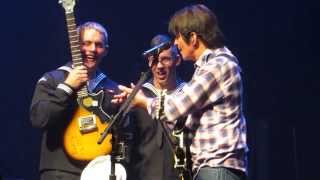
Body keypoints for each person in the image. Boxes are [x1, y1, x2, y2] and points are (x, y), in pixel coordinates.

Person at [114, 4, 248, 180]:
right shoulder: (206, 68)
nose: (176, 43)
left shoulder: (220, 65)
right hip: (210, 169)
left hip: (218, 169)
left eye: (178, 36)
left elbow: (173, 109)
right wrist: (135, 96)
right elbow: (180, 114)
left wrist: (143, 101)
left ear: (192, 37)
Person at [30, 21, 119, 180]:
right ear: (75, 46)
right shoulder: (52, 79)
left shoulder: (113, 88)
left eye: (98, 45)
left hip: (100, 172)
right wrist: (67, 87)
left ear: (106, 50)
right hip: (59, 172)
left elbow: (121, 137)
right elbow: (39, 118)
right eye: (86, 43)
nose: (92, 49)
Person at [127, 34, 187, 180]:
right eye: (154, 60)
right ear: (149, 61)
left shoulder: (188, 95)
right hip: (143, 174)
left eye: (166, 59)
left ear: (177, 60)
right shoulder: (138, 96)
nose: (159, 66)